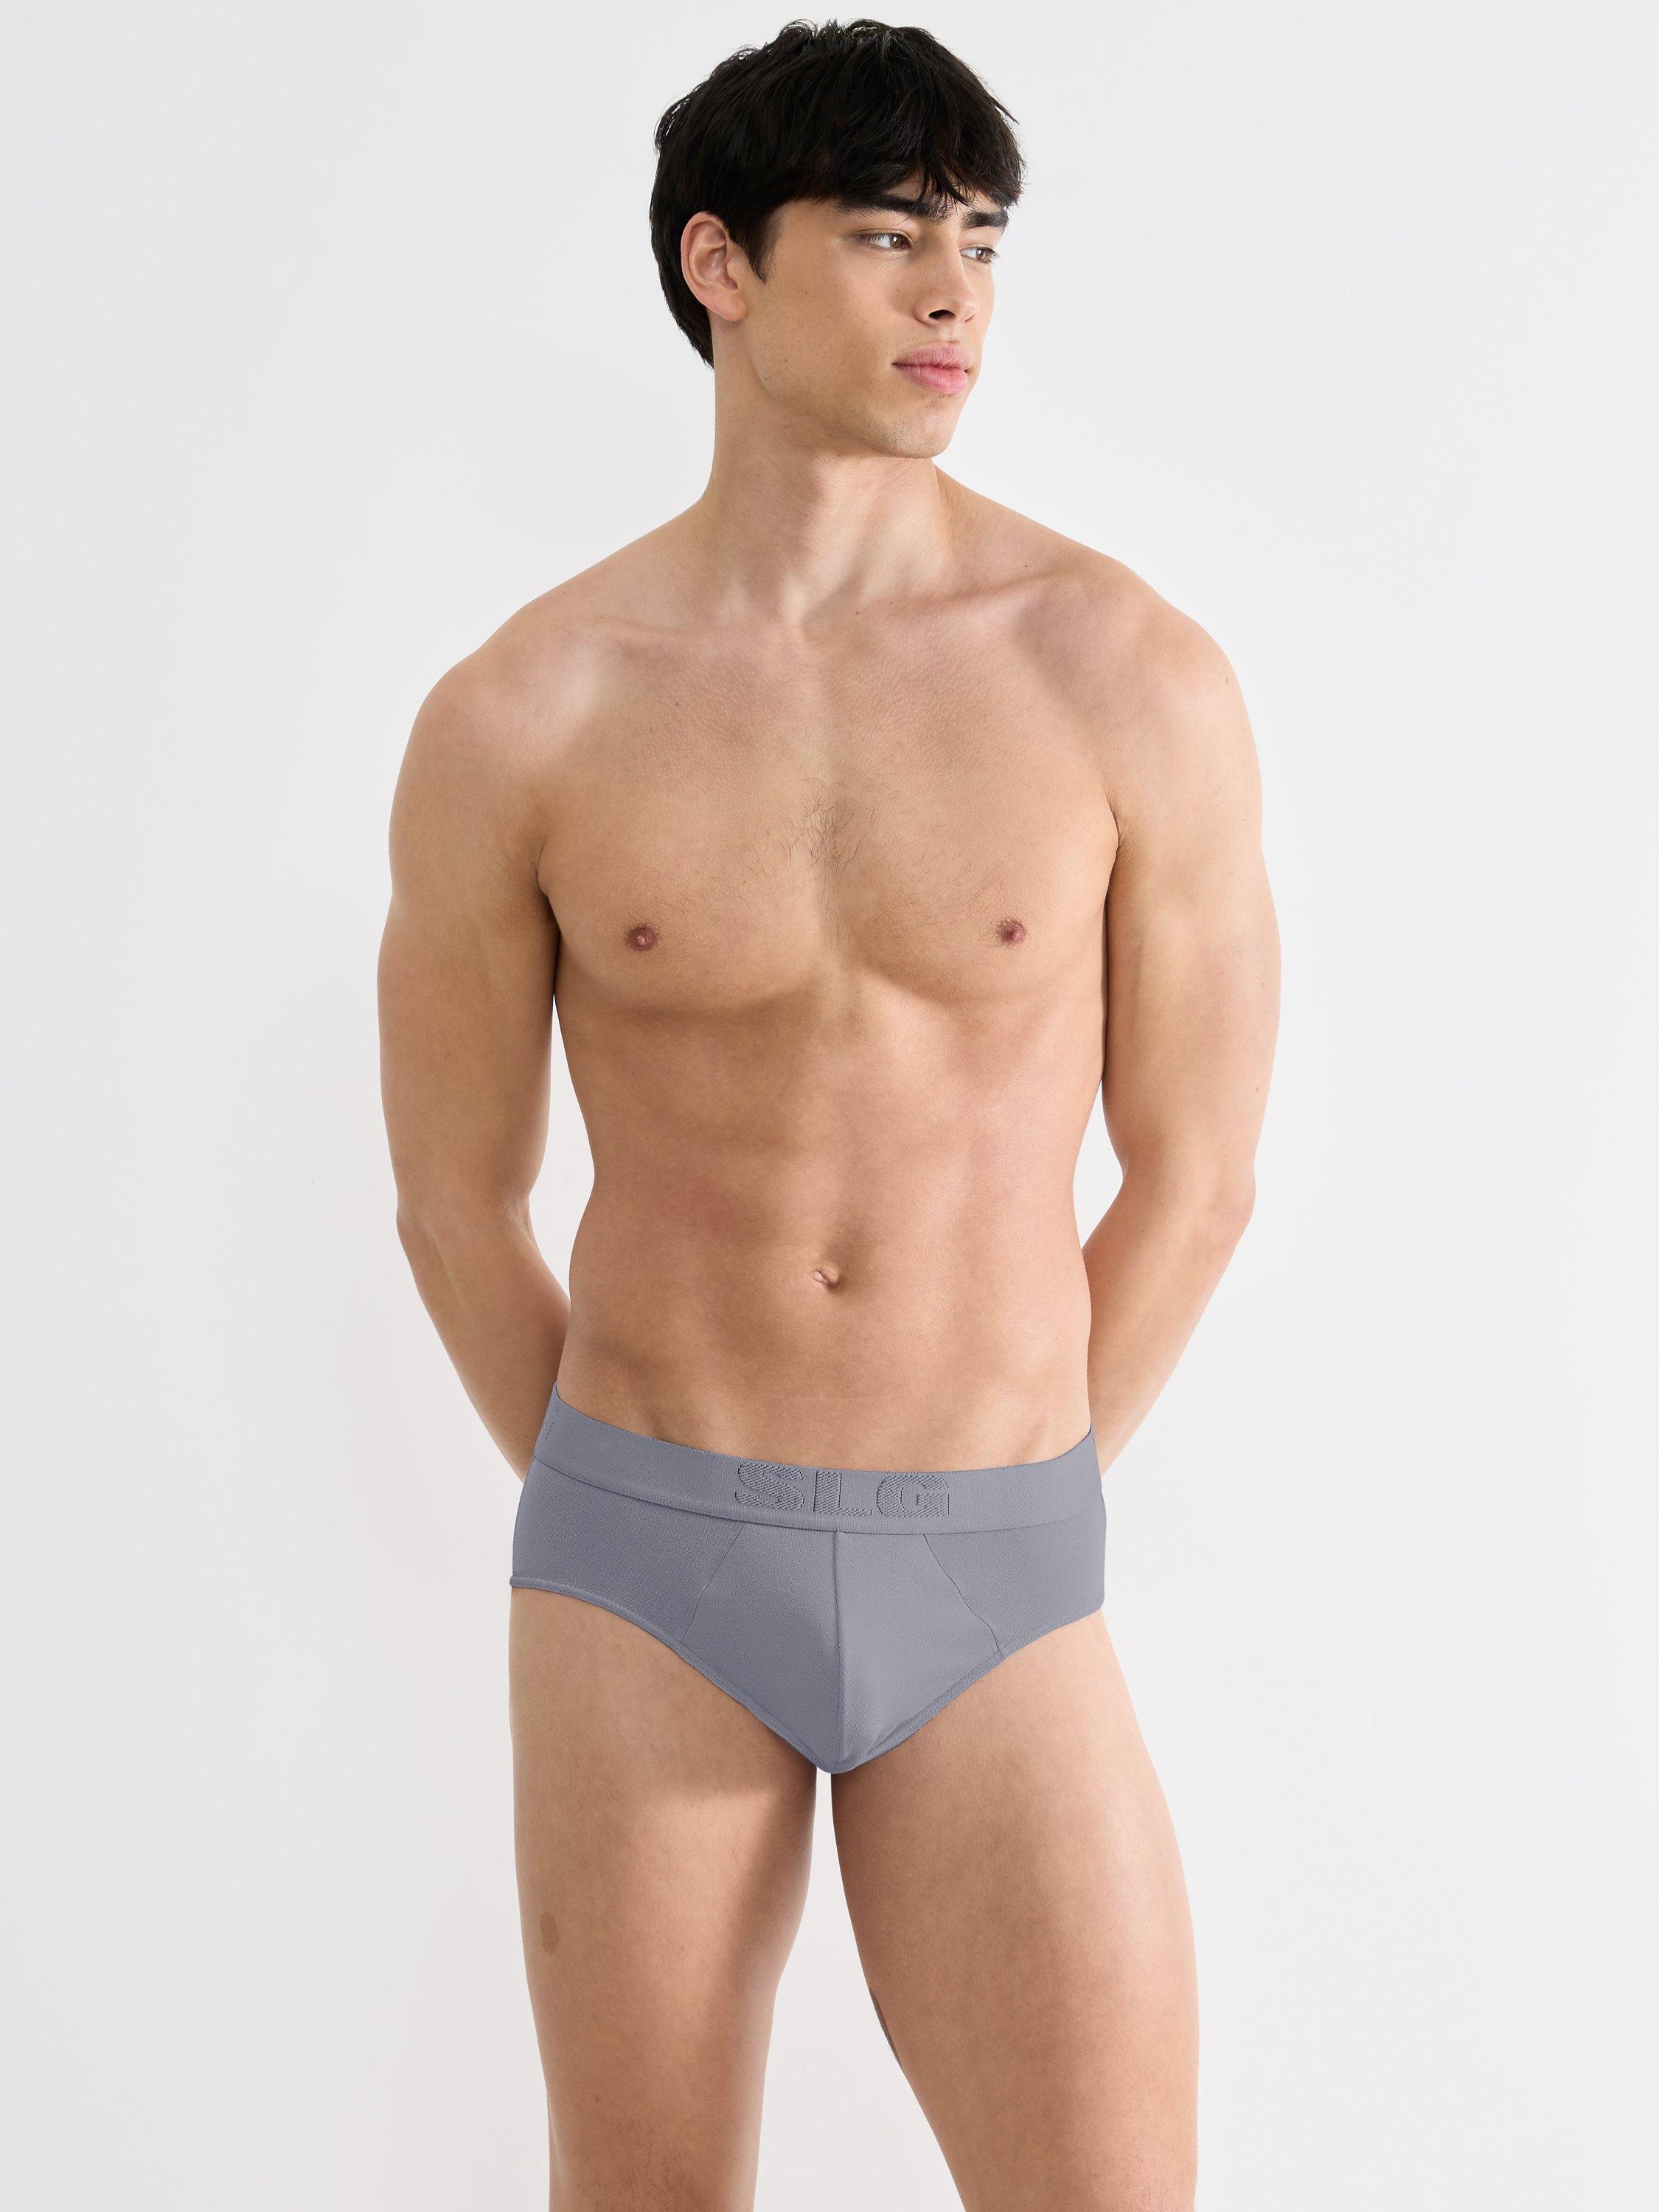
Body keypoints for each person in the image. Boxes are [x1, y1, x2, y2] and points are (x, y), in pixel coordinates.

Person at [378, 18, 1279, 2209]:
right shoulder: (525, 713)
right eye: (886, 239)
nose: (953, 295)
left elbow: (1197, 1173)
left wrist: (1011, 1485)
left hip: (997, 1556)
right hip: (644, 1569)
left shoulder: (1121, 672)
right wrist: (627, 1498)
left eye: (979, 242)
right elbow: (452, 1199)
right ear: (722, 266)